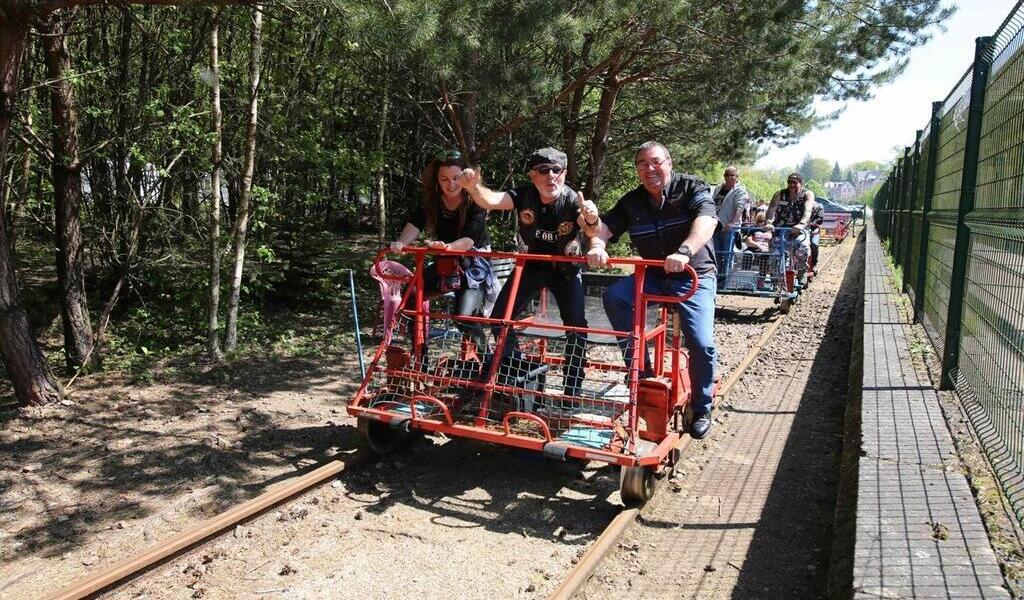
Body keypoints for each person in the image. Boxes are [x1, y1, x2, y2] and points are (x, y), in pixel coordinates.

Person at [586, 141, 718, 440]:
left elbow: (706, 221)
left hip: (693, 274)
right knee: (616, 297)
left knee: (700, 342)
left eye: (655, 162)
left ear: (669, 163)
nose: (650, 169)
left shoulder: (691, 188)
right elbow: (605, 228)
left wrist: (684, 251)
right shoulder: (632, 201)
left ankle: (702, 405)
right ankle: (640, 371)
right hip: (654, 274)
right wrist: (597, 245)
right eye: (643, 164)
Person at [458, 147, 602, 402]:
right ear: (532, 175)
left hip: (565, 271)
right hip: (530, 267)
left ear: (564, 173)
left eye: (556, 170)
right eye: (543, 171)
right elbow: (490, 199)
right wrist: (472, 187)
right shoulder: (523, 195)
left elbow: (589, 229)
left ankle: (572, 388)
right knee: (500, 318)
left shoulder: (572, 201)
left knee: (577, 327)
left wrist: (591, 220)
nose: (551, 176)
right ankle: (513, 366)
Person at [390, 151, 496, 351]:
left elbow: (469, 238)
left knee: (464, 318)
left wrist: (449, 247)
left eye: (456, 178)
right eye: (444, 179)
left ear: (465, 179)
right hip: (446, 262)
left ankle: (488, 362)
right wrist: (401, 243)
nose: (451, 184)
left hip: (474, 265)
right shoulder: (432, 201)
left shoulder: (476, 201)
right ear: (437, 181)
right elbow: (415, 223)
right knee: (411, 297)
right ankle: (420, 355)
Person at [766, 172, 814, 285]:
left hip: (798, 230)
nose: (791, 185)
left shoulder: (807, 194)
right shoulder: (780, 194)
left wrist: (801, 224)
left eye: (794, 182)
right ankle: (775, 279)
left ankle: (802, 271)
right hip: (781, 229)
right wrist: (769, 222)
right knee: (774, 253)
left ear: (801, 183)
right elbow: (771, 209)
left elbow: (808, 210)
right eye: (789, 182)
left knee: (803, 248)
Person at [711, 166, 750, 277]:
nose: (729, 177)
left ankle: (725, 280)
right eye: (727, 175)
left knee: (727, 255)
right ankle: (716, 278)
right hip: (716, 227)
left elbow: (740, 208)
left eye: (732, 175)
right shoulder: (718, 188)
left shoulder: (740, 190)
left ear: (737, 177)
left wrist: (732, 223)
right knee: (716, 254)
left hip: (729, 229)